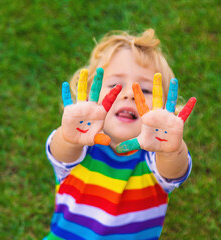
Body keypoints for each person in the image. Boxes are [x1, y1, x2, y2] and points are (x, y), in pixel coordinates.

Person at [44, 29, 196, 240]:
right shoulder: (80, 147)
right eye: (115, 85)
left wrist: (171, 150)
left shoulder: (155, 159)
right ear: (89, 94)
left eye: (145, 90)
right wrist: (69, 136)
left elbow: (174, 171)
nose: (129, 94)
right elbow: (61, 153)